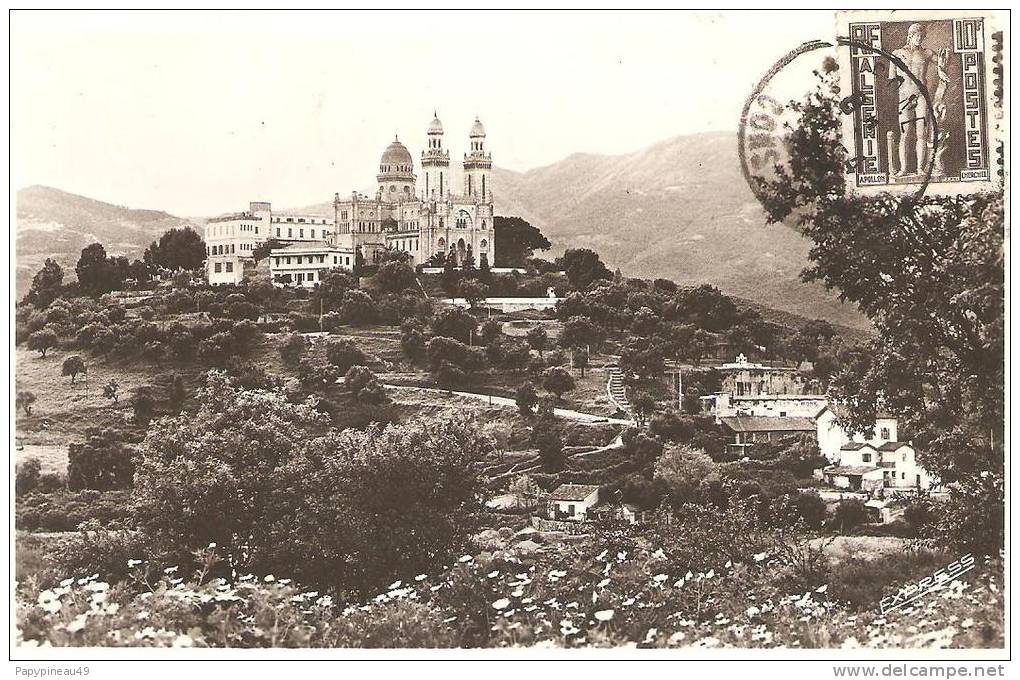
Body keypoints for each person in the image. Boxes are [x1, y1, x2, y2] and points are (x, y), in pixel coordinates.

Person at [889, 23, 936, 176]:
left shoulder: (927, 53)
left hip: (922, 95)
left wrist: (942, 69)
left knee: (921, 133)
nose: (920, 39)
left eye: (923, 37)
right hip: (905, 96)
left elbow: (941, 62)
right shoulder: (896, 53)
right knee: (905, 133)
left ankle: (920, 169)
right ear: (910, 36)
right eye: (918, 36)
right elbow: (892, 78)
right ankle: (903, 169)